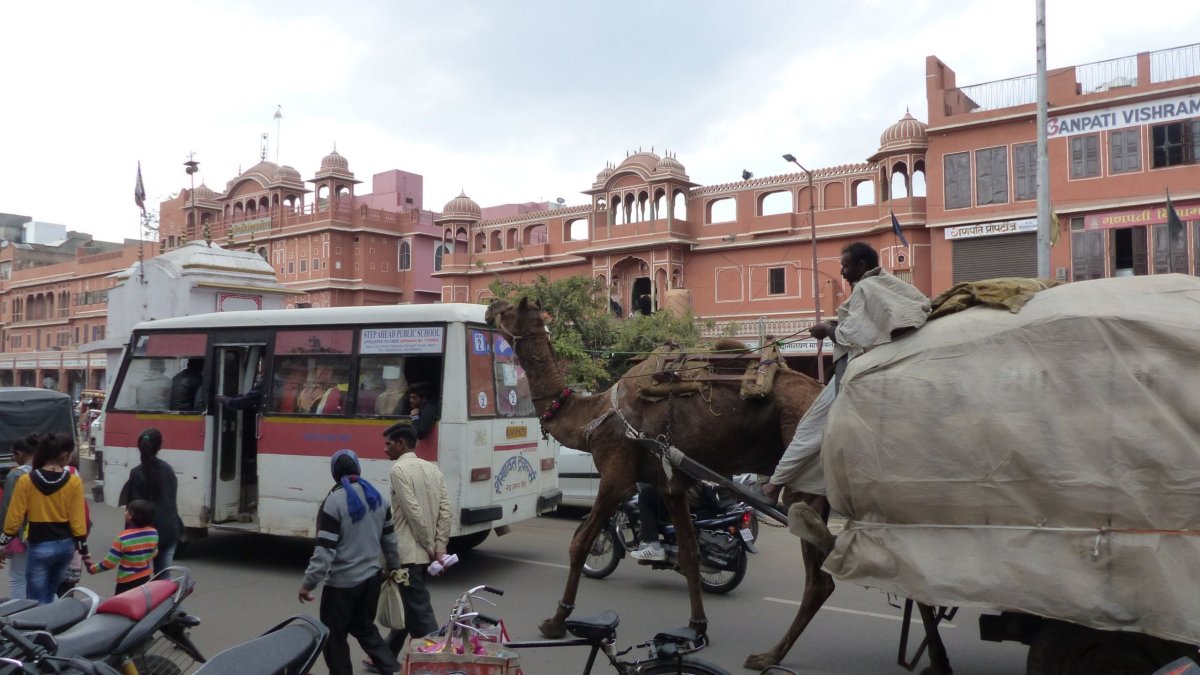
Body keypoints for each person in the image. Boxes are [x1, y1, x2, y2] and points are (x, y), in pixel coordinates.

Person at [763, 242, 930, 509]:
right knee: (824, 435)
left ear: (862, 265)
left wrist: (826, 331)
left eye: (845, 266)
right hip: (872, 370)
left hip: (856, 373)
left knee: (810, 430)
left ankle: (773, 487)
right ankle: (811, 495)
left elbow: (854, 336)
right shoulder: (890, 284)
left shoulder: (866, 287)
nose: (842, 272)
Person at [298, 450, 402, 675]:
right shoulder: (378, 498)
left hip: (341, 586)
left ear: (334, 474)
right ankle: (390, 667)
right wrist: (394, 568)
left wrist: (308, 584)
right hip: (372, 580)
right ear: (358, 469)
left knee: (334, 637)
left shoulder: (334, 502)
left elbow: (324, 552)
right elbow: (391, 543)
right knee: (364, 628)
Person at [372, 422, 450, 669]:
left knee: (420, 614)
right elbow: (445, 511)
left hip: (407, 554)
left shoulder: (398, 470)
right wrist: (440, 548)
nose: (385, 449)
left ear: (401, 443)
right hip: (424, 556)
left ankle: (441, 661)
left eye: (388, 444)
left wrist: (429, 545)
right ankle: (383, 657)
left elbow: (412, 511)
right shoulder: (433, 469)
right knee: (409, 605)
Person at [0, 433, 90, 605]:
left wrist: (3, 541)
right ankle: (52, 625)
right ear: (64, 456)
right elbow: (78, 520)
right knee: (50, 592)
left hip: (40, 544)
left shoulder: (26, 481)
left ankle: (38, 628)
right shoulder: (73, 482)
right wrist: (83, 548)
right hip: (65, 546)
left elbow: (14, 518)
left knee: (35, 597)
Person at [119, 429, 181, 573]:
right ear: (160, 447)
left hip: (144, 535)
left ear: (139, 446)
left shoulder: (136, 473)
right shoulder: (168, 469)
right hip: (169, 530)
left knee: (139, 578)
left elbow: (133, 507)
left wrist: (127, 534)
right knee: (164, 578)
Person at [87, 499, 158, 594]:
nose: (125, 512)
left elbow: (109, 563)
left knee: (119, 607)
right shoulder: (153, 532)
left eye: (127, 510)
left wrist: (92, 568)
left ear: (130, 515)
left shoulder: (123, 538)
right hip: (145, 578)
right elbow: (154, 552)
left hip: (126, 583)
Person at [0, 435, 37, 598]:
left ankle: (21, 613)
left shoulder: (15, 475)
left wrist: (3, 540)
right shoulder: (52, 471)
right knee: (40, 578)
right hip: (49, 533)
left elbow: (8, 509)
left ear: (21, 453)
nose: (14, 459)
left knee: (18, 578)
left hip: (21, 532)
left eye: (14, 455)